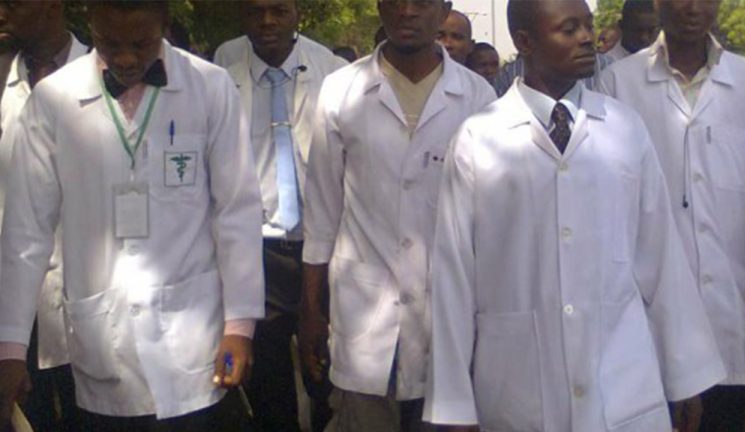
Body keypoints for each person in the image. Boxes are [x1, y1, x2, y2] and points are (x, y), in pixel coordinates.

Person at [424, 0, 725, 430]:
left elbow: (661, 257)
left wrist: (685, 375)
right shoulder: (478, 138)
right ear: (525, 41)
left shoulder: (624, 128)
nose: (586, 38)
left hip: (623, 384)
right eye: (568, 29)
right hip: (519, 388)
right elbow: (454, 276)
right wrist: (454, 404)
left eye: (588, 25)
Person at [0, 1, 265, 431]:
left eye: (141, 44)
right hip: (104, 345)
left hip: (194, 342)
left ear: (165, 24)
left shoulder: (209, 87)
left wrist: (240, 326)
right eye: (109, 43)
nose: (125, 59)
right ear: (91, 24)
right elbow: (26, 231)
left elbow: (236, 210)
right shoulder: (53, 99)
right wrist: (10, 347)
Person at [298, 0, 496, 430]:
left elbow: (492, 225)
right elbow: (322, 213)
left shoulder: (478, 97)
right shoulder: (340, 90)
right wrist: (311, 309)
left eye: (421, 1)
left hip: (448, 319)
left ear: (443, 9)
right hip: (365, 316)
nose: (407, 11)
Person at [600, 0, 745, 430]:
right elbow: (610, 204)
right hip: (647, 309)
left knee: (724, 416)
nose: (693, 8)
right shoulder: (620, 82)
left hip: (728, 302)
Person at [222, 0, 347, 430]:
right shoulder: (222, 70)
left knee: (327, 378)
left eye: (279, 10)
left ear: (297, 13)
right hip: (258, 251)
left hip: (321, 248)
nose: (267, 21)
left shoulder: (331, 72)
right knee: (268, 387)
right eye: (255, 11)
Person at [0, 1, 88, 430]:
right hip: (15, 301)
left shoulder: (108, 73)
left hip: (92, 294)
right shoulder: (4, 79)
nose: (2, 13)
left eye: (12, 2)